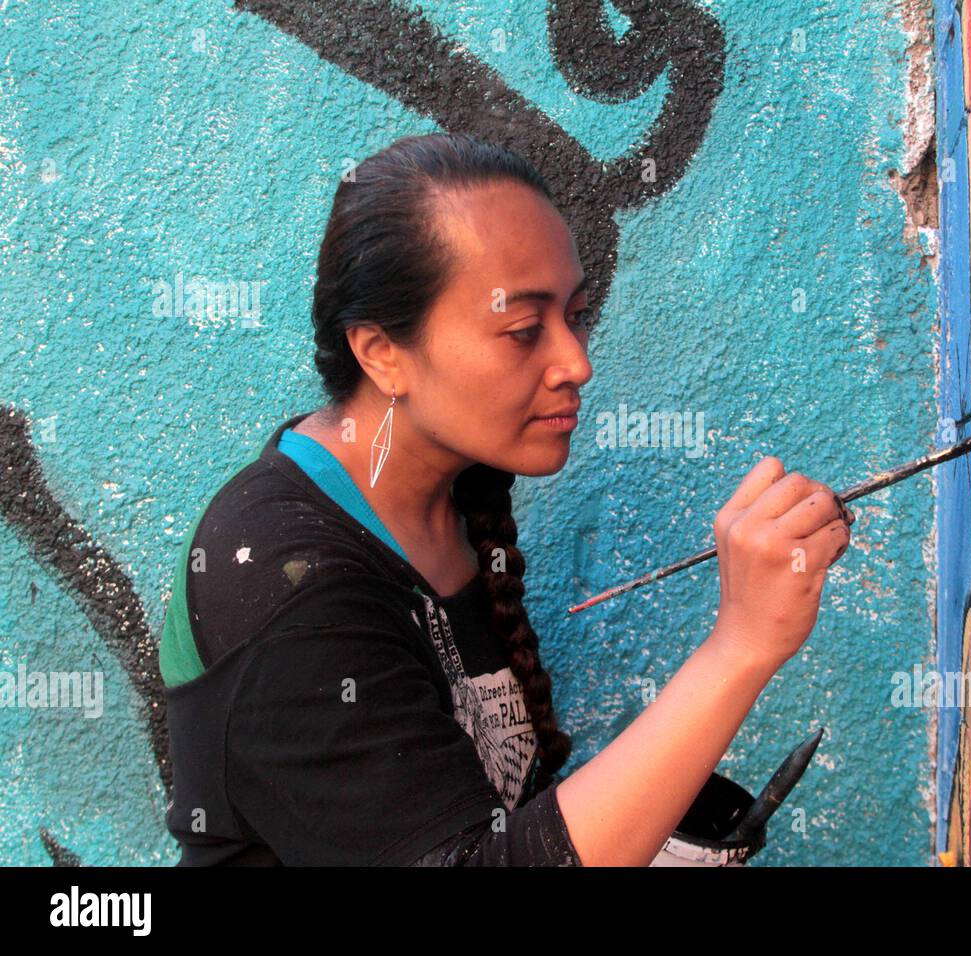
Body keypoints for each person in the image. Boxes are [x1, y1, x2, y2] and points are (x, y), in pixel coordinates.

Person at [157, 132, 855, 866]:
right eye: (523, 330)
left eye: (577, 315)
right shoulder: (281, 579)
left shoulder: (447, 496)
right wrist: (740, 644)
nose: (576, 363)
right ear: (382, 352)